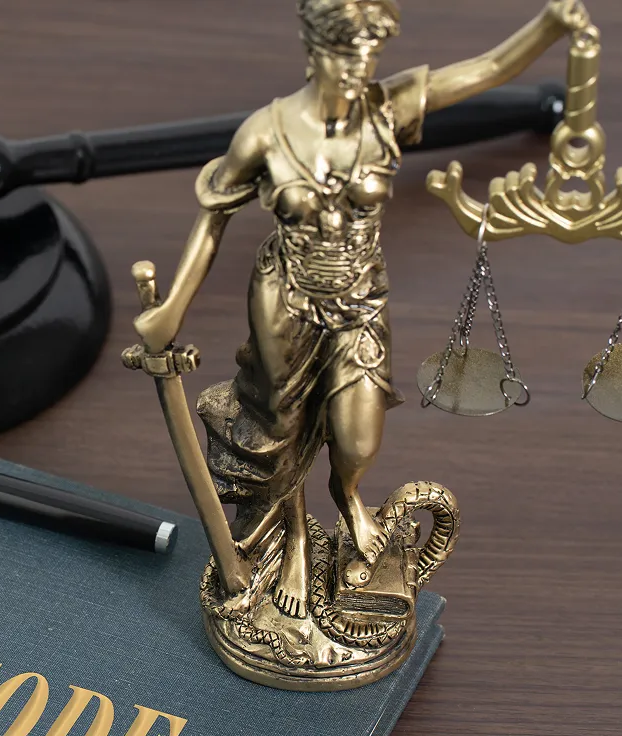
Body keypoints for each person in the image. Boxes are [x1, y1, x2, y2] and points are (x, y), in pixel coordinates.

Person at [133, 0, 589, 619]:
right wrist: (173, 309)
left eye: (368, 56)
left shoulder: (386, 108)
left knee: (358, 434)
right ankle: (295, 539)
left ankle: (346, 494)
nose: (357, 69)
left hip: (360, 299)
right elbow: (214, 215)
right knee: (282, 425)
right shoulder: (265, 132)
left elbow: (487, 68)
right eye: (344, 55)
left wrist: (550, 25)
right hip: (286, 296)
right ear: (312, 49)